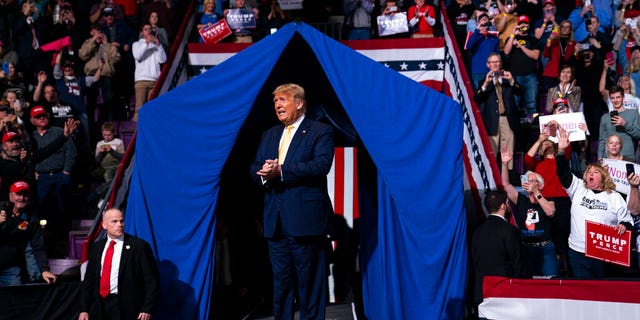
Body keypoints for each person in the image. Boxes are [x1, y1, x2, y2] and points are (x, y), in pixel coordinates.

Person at [249, 83, 334, 320]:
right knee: (281, 284)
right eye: (275, 102)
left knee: (310, 285)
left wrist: (282, 171)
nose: (278, 105)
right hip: (275, 225)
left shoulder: (320, 130)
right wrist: (264, 173)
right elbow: (253, 167)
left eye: (283, 100)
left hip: (305, 222)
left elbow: (321, 165)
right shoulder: (269, 134)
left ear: (299, 103)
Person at [555, 127, 633, 278]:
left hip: (602, 254)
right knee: (583, 294)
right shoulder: (578, 188)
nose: (591, 173)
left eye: (595, 172)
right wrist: (560, 152)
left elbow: (627, 220)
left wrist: (624, 225)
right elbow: (563, 173)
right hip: (577, 252)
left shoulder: (614, 196)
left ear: (603, 177)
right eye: (589, 171)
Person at [78, 208, 159, 320]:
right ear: (104, 225)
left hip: (127, 308)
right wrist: (84, 309)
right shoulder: (97, 248)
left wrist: (147, 308)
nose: (119, 225)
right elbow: (89, 281)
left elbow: (151, 280)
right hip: (100, 307)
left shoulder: (139, 247)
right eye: (114, 221)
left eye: (121, 221)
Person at [501, 148, 558, 277]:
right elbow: (506, 185)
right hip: (527, 248)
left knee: (550, 283)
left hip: (545, 249)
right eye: (529, 181)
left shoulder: (548, 199)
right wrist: (504, 164)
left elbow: (550, 212)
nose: (531, 183)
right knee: (529, 284)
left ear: (541, 185)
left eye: (534, 181)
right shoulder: (521, 199)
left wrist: (536, 193)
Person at [470, 190, 529, 305]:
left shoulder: (477, 231)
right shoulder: (509, 231)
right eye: (507, 203)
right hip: (504, 292)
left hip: (482, 293)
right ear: (503, 206)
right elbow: (518, 262)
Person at [0, 181, 57, 286]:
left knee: (15, 291)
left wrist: (44, 270)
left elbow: (38, 245)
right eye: (18, 194)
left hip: (10, 268)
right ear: (10, 195)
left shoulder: (31, 218)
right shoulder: (1, 210)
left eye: (25, 195)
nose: (21, 198)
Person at [473, 53, 520, 169]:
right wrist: (486, 84)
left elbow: (519, 92)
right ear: (487, 65)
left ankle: (507, 177)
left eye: (497, 61)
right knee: (491, 152)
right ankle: (492, 178)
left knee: (508, 151)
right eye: (492, 62)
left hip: (507, 119)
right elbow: (476, 99)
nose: (494, 64)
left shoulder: (508, 79)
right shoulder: (483, 82)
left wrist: (512, 80)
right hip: (491, 121)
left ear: (500, 63)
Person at [504, 15, 540, 117]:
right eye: (520, 24)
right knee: (514, 104)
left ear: (528, 25)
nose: (523, 25)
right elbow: (506, 51)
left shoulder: (533, 39)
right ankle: (515, 128)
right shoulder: (511, 38)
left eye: (525, 23)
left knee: (532, 104)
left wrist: (520, 46)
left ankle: (534, 126)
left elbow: (535, 56)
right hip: (515, 76)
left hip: (530, 76)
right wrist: (512, 35)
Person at [132, 24, 167, 122]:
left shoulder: (156, 46)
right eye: (146, 29)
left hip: (154, 80)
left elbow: (163, 60)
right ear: (142, 32)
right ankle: (138, 133)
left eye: (150, 29)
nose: (148, 31)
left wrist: (158, 45)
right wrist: (146, 43)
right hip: (141, 81)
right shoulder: (136, 44)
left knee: (153, 108)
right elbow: (138, 56)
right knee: (140, 109)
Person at [598, 85, 640, 160]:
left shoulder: (633, 113)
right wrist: (600, 156)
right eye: (612, 98)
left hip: (628, 156)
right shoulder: (605, 117)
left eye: (618, 97)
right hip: (609, 157)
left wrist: (624, 124)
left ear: (623, 97)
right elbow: (602, 140)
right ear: (610, 99)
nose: (615, 100)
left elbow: (638, 135)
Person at [466, 13, 499, 90]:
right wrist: (477, 30)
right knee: (479, 96)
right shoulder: (475, 36)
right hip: (477, 71)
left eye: (486, 19)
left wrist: (497, 70)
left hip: (491, 71)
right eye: (482, 19)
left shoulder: (494, 38)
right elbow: (468, 46)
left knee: (492, 97)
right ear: (478, 23)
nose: (484, 20)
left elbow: (497, 55)